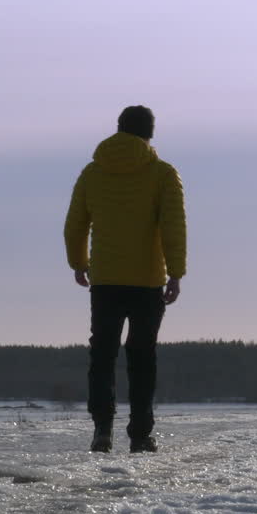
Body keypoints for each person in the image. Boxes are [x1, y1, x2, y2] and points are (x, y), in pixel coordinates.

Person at [63, 105, 186, 453]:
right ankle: (140, 434)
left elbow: (75, 225)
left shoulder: (92, 172)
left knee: (102, 354)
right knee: (142, 356)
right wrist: (175, 273)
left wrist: (78, 262)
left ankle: (102, 429)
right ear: (150, 134)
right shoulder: (162, 173)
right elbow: (173, 227)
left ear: (118, 130)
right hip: (147, 280)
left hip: (105, 280)